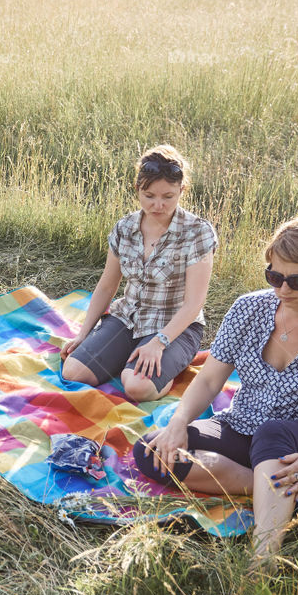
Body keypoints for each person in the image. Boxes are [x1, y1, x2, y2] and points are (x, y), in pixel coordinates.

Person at [134, 217, 298, 565]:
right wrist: (178, 422)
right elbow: (207, 381)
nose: (284, 289)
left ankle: (262, 561)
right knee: (152, 449)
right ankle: (281, 490)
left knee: (273, 431)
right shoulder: (248, 308)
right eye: (275, 276)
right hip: (243, 423)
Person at [61, 145, 217, 403]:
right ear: (138, 191)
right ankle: (128, 353)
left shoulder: (197, 232)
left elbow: (194, 303)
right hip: (128, 317)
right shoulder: (125, 228)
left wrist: (159, 342)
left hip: (176, 325)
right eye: (149, 196)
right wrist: (83, 333)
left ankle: (162, 366)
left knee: (136, 388)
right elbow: (106, 287)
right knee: (74, 372)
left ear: (182, 190)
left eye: (168, 196)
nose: (158, 205)